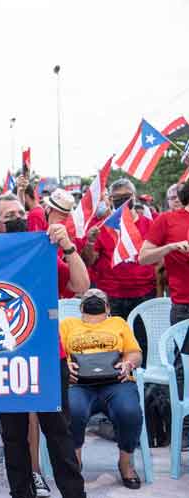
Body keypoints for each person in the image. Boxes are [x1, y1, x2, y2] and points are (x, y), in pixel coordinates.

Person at [0, 193, 87, 498]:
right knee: (14, 434)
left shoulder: (42, 253)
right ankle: (21, 492)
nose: (18, 217)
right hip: (4, 355)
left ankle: (73, 493)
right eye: (9, 216)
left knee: (58, 431)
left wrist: (67, 246)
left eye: (21, 211)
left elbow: (81, 287)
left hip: (46, 353)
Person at [60, 289, 143, 489]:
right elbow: (56, 352)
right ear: (81, 307)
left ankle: (125, 463)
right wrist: (64, 366)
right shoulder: (67, 324)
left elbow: (136, 354)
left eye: (99, 297)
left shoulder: (118, 323)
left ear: (108, 307)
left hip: (116, 382)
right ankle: (75, 463)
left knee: (129, 411)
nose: (94, 298)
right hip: (79, 383)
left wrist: (129, 364)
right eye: (89, 297)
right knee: (74, 411)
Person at [81, 179, 155, 363]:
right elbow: (89, 261)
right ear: (110, 199)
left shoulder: (149, 224)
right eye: (117, 198)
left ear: (134, 197)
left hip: (144, 293)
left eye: (126, 197)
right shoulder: (102, 227)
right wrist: (90, 242)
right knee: (113, 344)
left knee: (143, 342)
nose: (122, 202)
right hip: (112, 295)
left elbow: (158, 261)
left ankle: (144, 383)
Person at [139, 181, 189, 448]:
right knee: (184, 369)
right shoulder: (168, 220)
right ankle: (184, 431)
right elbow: (143, 257)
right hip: (184, 306)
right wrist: (170, 248)